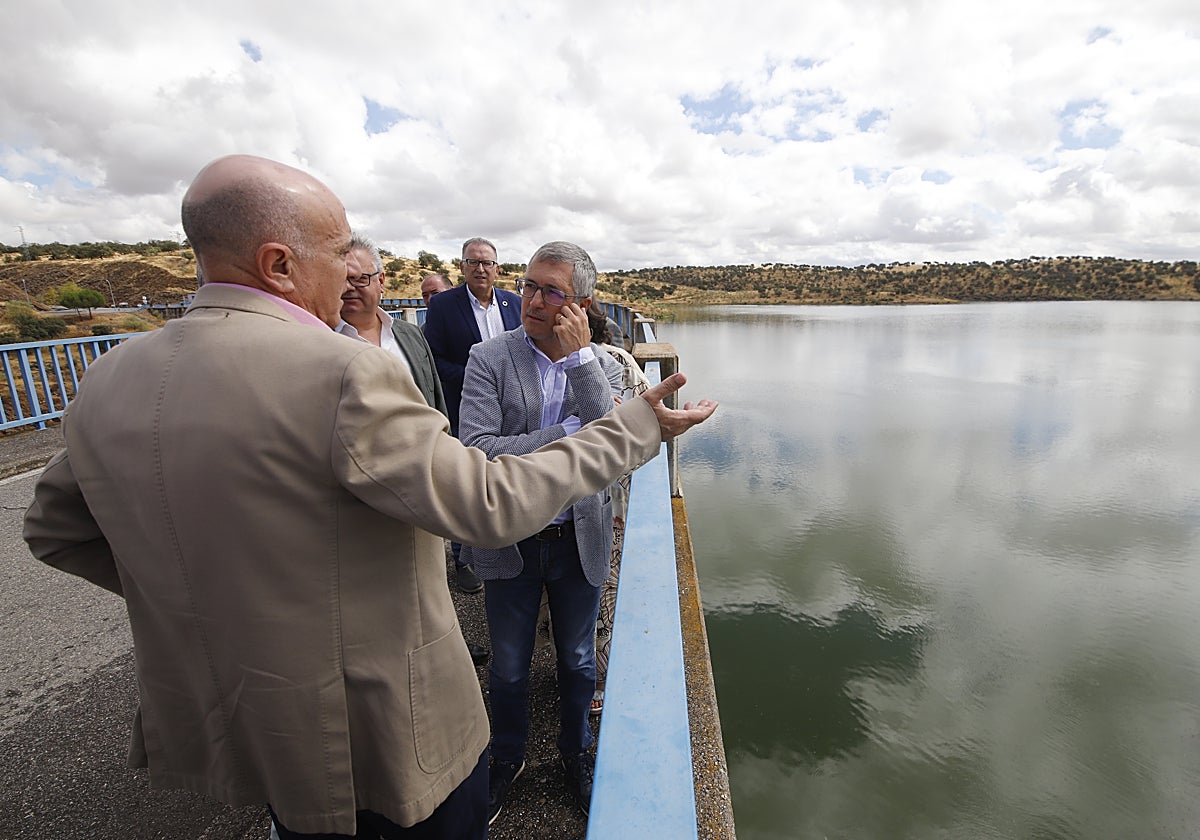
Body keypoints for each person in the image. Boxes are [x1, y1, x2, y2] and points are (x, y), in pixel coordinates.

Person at [22, 154, 717, 840]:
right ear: (279, 265)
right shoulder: (343, 370)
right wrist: (636, 428)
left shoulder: (109, 377)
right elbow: (485, 500)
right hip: (385, 736)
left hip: (252, 734)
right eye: (337, 254)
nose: (353, 274)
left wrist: (206, 600)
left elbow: (55, 529)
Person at [458, 241, 626, 824]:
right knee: (507, 665)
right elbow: (476, 451)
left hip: (578, 536)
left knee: (579, 661)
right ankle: (508, 756)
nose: (531, 299)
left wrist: (580, 364)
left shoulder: (599, 365)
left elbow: (610, 444)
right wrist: (562, 438)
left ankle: (575, 752)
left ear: (581, 304)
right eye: (528, 285)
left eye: (551, 291)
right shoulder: (490, 357)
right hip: (512, 538)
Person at [422, 237, 522, 594]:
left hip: (513, 407)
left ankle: (508, 540)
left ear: (497, 268)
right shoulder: (444, 305)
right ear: (462, 267)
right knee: (466, 481)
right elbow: (434, 358)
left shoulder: (515, 303)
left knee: (506, 472)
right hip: (468, 406)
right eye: (473, 262)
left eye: (487, 263)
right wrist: (479, 379)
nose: (481, 268)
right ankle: (464, 558)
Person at [585, 303, 650, 715]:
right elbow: (648, 428)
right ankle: (596, 680)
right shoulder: (621, 361)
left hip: (564, 499)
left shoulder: (598, 363)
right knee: (604, 585)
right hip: (610, 502)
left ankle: (577, 671)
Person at [339, 234, 446, 414]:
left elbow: (435, 400)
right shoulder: (320, 339)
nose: (349, 288)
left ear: (380, 281)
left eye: (359, 279)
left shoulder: (411, 335)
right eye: (342, 279)